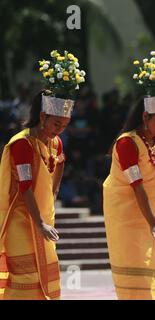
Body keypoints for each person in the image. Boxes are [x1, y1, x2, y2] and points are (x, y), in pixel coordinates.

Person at [0, 50, 86, 299]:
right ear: (42, 116)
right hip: (21, 221)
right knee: (25, 278)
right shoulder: (22, 145)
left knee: (45, 279)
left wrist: (53, 195)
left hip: (44, 220)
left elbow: (59, 166)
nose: (59, 130)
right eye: (56, 125)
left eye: (65, 126)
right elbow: (25, 187)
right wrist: (40, 223)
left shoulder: (56, 143)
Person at [103, 50, 155, 299]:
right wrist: (154, 222)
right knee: (133, 265)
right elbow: (137, 186)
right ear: (145, 116)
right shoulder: (127, 144)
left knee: (148, 266)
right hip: (126, 215)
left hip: (147, 213)